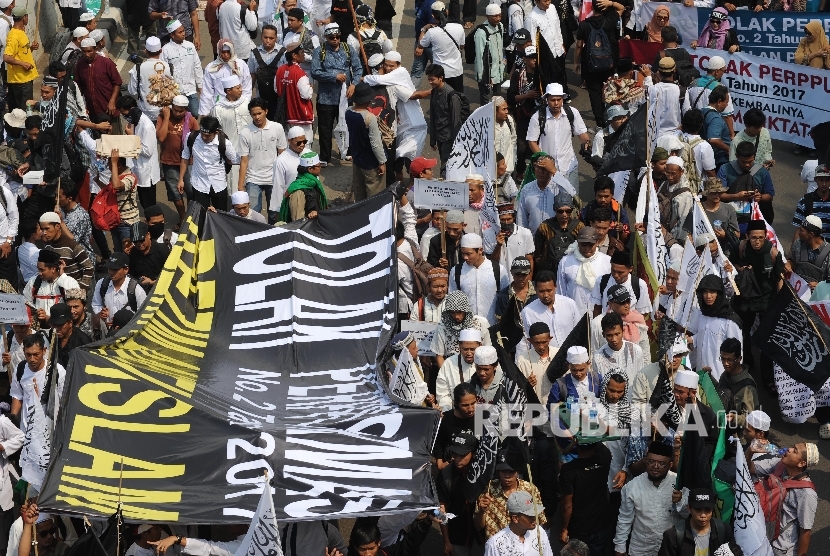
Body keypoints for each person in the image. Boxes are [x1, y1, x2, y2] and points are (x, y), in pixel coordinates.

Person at [732, 220, 784, 391]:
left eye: (761, 238)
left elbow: (779, 278)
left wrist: (780, 301)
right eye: (754, 238)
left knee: (766, 338)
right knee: (743, 333)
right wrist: (741, 269)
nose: (757, 241)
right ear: (747, 237)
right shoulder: (741, 247)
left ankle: (768, 379)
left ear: (766, 237)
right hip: (746, 299)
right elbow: (733, 264)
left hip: (766, 300)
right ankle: (746, 362)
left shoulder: (773, 253)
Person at [613, 441, 687, 556]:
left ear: (670, 465)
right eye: (651, 462)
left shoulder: (679, 485)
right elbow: (624, 519)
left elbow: (689, 515)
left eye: (661, 463)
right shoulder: (631, 487)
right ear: (646, 461)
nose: (655, 467)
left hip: (672, 548)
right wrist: (620, 547)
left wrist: (680, 501)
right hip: (641, 548)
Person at [745, 442, 819, 556]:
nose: (788, 449)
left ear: (801, 463)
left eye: (794, 451)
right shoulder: (779, 465)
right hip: (761, 537)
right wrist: (750, 451)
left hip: (781, 549)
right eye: (792, 447)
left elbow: (805, 531)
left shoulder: (807, 494)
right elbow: (749, 468)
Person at [364, 51, 428, 178]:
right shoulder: (374, 86)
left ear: (398, 65)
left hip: (412, 127)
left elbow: (414, 96)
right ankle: (399, 191)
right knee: (396, 166)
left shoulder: (398, 76)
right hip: (395, 128)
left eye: (391, 66)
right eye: (385, 65)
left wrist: (435, 90)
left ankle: (411, 191)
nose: (388, 69)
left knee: (411, 164)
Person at [311, 23, 363, 167]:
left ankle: (347, 152)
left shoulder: (348, 49)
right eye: (331, 37)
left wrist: (354, 84)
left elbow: (358, 69)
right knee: (325, 129)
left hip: (345, 97)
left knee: (348, 126)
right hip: (326, 98)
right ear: (326, 37)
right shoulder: (319, 52)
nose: (335, 39)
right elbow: (315, 72)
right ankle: (325, 157)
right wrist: (334, 76)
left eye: (337, 37)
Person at [527, 84, 590, 192]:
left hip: (569, 167)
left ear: (563, 99)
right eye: (552, 100)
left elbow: (582, 134)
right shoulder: (537, 117)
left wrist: (587, 143)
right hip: (547, 171)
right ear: (546, 100)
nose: (556, 103)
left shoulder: (572, 113)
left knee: (572, 200)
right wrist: (544, 159)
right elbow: (532, 141)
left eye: (559, 99)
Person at [574, 0, 623, 126]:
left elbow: (579, 46)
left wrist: (576, 62)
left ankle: (600, 123)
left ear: (592, 7)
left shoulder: (584, 25)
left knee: (594, 93)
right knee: (608, 90)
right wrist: (611, 3)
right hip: (608, 63)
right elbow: (621, 8)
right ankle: (611, 117)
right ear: (604, 7)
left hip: (590, 65)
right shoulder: (610, 20)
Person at [237, 97, 286, 222]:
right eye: (254, 114)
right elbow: (244, 160)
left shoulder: (277, 128)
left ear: (266, 111)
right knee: (252, 214)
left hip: (273, 178)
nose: (257, 117)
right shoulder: (245, 133)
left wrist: (284, 179)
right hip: (253, 178)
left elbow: (282, 155)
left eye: (259, 113)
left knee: (274, 213)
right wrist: (240, 185)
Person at [686, 274, 742, 381]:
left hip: (720, 378)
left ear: (720, 293)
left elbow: (737, 352)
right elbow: (705, 335)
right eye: (705, 292)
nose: (708, 296)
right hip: (701, 374)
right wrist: (692, 339)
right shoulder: (703, 315)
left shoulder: (730, 321)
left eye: (712, 292)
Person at [437, 431, 484, 556]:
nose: (456, 458)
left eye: (461, 454)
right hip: (457, 535)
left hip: (482, 536)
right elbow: (442, 509)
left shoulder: (483, 474)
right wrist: (446, 540)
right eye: (454, 453)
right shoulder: (445, 475)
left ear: (473, 454)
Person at [179, 116, 240, 210]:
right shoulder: (191, 138)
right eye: (202, 133)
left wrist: (228, 161)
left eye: (208, 136)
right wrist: (181, 179)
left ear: (216, 132)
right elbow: (185, 157)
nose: (204, 137)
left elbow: (236, 159)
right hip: (199, 184)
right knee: (200, 214)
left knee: (220, 215)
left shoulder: (224, 143)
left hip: (218, 184)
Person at [157, 96, 198, 227]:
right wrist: (167, 117)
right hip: (169, 162)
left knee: (191, 191)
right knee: (175, 193)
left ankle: (193, 217)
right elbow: (161, 137)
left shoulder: (191, 120)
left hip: (188, 162)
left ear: (186, 110)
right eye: (175, 110)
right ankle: (183, 218)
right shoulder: (162, 117)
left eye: (181, 111)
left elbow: (198, 140)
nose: (178, 113)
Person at [717, 141, 775, 232]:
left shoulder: (763, 172)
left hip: (755, 222)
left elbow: (769, 195)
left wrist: (760, 197)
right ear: (736, 156)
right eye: (743, 162)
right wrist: (736, 196)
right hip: (730, 220)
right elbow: (718, 195)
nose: (747, 165)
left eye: (750, 161)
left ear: (754, 156)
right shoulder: (725, 169)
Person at [657, 488, 731, 556]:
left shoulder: (723, 530)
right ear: (689, 508)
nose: (703, 515)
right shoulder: (673, 535)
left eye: (707, 510)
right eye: (698, 510)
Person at [345, 82, 387, 200]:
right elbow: (375, 143)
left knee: (360, 195)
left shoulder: (348, 112)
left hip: (357, 159)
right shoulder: (369, 117)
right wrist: (382, 162)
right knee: (375, 197)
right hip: (371, 163)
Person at [590, 285, 651, 366]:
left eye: (628, 301)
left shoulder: (637, 321)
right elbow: (594, 351)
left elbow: (645, 350)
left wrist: (645, 375)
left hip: (633, 370)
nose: (627, 305)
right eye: (622, 302)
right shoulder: (597, 323)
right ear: (610, 304)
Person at [430, 291, 492, 368]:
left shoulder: (481, 323)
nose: (456, 316)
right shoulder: (442, 327)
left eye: (459, 312)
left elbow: (488, 349)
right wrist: (446, 375)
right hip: (453, 370)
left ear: (466, 310)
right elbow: (439, 356)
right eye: (452, 313)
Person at [520, 270, 580, 348]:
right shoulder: (527, 312)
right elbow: (524, 343)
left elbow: (579, 332)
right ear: (535, 290)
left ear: (555, 287)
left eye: (549, 291)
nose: (545, 295)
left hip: (570, 357)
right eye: (541, 291)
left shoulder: (570, 304)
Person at [556, 226, 611, 312]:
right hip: (573, 314)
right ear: (578, 243)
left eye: (590, 245)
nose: (587, 249)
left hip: (599, 315)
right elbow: (560, 291)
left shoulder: (607, 262)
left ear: (597, 243)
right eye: (583, 245)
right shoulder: (566, 261)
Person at [506, 46, 541, 180]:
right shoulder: (518, 75)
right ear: (525, 59)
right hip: (523, 115)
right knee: (521, 147)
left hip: (539, 115)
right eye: (531, 58)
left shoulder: (542, 75)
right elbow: (511, 97)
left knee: (537, 146)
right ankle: (520, 171)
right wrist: (528, 95)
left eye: (535, 57)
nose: (533, 60)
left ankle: (536, 172)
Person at [516, 154, 573, 235]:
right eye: (538, 167)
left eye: (545, 169)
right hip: (533, 240)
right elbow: (521, 217)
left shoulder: (559, 187)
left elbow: (572, 193)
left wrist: (555, 171)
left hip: (555, 239)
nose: (541, 172)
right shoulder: (527, 189)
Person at [483, 491, 552, 556]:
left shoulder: (539, 532)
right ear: (515, 518)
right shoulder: (495, 544)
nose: (534, 518)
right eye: (530, 516)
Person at [38, 212, 94, 292]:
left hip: (72, 293)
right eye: (42, 229)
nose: (44, 233)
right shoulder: (47, 246)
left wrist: (81, 289)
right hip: (56, 293)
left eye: (47, 229)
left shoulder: (72, 246)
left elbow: (89, 267)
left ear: (57, 226)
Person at [712, 337, 757, 435]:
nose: (725, 363)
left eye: (730, 360)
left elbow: (751, 418)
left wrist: (735, 418)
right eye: (723, 359)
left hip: (738, 438)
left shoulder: (748, 387)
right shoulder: (726, 375)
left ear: (739, 359)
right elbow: (721, 392)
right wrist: (709, 377)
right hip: (723, 429)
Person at [416, 2, 465, 92]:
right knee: (457, 99)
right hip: (457, 71)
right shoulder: (459, 27)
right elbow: (461, 46)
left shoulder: (431, 32)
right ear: (447, 12)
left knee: (441, 100)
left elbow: (420, 45)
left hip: (440, 73)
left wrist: (424, 29)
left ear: (433, 16)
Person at [425, 63, 464, 174]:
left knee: (446, 167)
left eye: (432, 79)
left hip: (449, 138)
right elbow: (433, 116)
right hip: (439, 137)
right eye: (428, 79)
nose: (430, 82)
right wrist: (433, 139)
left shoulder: (452, 96)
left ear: (441, 78)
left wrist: (457, 144)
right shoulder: (434, 92)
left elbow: (456, 121)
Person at [275, 41, 315, 145]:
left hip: (285, 115)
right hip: (301, 115)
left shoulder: (280, 70)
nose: (304, 55)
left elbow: (276, 89)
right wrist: (311, 88)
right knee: (305, 145)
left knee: (289, 144)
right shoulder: (300, 73)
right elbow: (306, 95)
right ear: (294, 55)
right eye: (301, 52)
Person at [92, 252, 147, 326]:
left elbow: (143, 316)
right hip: (107, 332)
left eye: (115, 269)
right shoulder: (101, 284)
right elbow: (96, 304)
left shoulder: (136, 290)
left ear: (126, 270)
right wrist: (101, 313)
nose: (111, 272)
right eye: (109, 268)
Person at [160, 20, 202, 117]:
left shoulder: (190, 46)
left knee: (195, 114)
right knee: (177, 115)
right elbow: (163, 73)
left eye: (183, 31)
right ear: (172, 35)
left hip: (190, 89)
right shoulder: (166, 50)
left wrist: (200, 86)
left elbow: (197, 66)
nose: (183, 34)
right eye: (180, 32)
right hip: (175, 92)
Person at [591, 311, 645, 387]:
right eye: (609, 335)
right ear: (603, 335)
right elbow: (599, 385)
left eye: (617, 334)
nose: (614, 339)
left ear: (623, 331)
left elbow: (641, 379)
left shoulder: (636, 351)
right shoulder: (598, 357)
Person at [200, 40, 253, 117]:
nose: (226, 55)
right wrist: (205, 113)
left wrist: (245, 105)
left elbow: (246, 87)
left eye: (228, 52)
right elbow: (207, 92)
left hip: (239, 106)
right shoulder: (211, 68)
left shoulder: (241, 65)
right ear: (218, 52)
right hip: (219, 107)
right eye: (223, 52)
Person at [631, 336, 690, 405]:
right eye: (671, 355)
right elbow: (637, 404)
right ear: (663, 355)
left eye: (678, 355)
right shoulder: (644, 375)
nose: (674, 359)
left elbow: (695, 404)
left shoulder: (688, 375)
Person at [591, 251, 651, 317]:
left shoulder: (639, 285)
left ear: (630, 269)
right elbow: (597, 308)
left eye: (620, 272)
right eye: (613, 271)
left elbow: (642, 313)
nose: (616, 275)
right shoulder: (601, 281)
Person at [535, 193, 583, 273]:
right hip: (550, 271)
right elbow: (538, 253)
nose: (564, 214)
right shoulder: (545, 227)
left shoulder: (579, 226)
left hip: (573, 269)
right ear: (555, 210)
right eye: (560, 211)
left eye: (568, 211)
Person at [524, 0, 565, 91]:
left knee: (560, 79)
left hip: (558, 52)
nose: (548, 2)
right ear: (537, 1)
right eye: (545, 1)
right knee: (549, 84)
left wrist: (561, 43)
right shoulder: (531, 18)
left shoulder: (552, 8)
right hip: (546, 57)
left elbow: (557, 26)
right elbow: (532, 42)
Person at [128, 36, 172, 121]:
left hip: (146, 112)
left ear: (146, 51)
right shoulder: (168, 67)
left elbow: (132, 91)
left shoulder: (138, 68)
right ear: (161, 50)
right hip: (165, 111)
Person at [75, 39, 121, 118]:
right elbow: (78, 85)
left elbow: (117, 83)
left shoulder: (107, 63)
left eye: (89, 51)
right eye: (84, 51)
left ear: (95, 49)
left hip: (108, 108)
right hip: (91, 110)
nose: (87, 54)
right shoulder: (80, 64)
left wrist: (112, 102)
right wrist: (81, 105)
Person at [579, 177, 630, 247]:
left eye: (606, 196)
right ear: (595, 194)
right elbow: (579, 235)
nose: (603, 200)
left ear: (612, 195)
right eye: (600, 196)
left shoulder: (619, 212)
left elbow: (625, 241)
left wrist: (621, 231)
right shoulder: (587, 211)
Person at [3, 6, 37, 111]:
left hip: (25, 78)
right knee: (25, 109)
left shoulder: (21, 32)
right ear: (24, 17)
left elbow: (21, 53)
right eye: (27, 16)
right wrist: (23, 64)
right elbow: (6, 57)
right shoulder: (14, 36)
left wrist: (31, 48)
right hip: (20, 80)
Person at [107, 148, 141, 252]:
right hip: (115, 221)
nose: (108, 167)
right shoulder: (115, 177)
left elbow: (117, 186)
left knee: (128, 253)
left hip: (128, 223)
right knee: (118, 251)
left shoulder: (130, 177)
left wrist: (113, 162)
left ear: (118, 165)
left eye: (110, 164)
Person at [278, 151, 327, 222]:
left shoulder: (313, 183)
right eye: (319, 166)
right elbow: (298, 220)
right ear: (310, 169)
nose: (320, 168)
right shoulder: (298, 191)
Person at [271, 126, 310, 214]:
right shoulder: (281, 161)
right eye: (299, 142)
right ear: (289, 141)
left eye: (304, 142)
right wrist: (278, 210)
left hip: (311, 199)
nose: (302, 145)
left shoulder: (309, 154)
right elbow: (278, 186)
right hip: (293, 201)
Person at [515, 322, 555, 402]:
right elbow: (516, 390)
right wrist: (526, 385)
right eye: (537, 343)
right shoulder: (522, 360)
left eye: (544, 342)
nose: (541, 347)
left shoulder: (557, 355)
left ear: (550, 339)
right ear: (529, 341)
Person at [125, 222, 170, 292]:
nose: (139, 244)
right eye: (135, 241)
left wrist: (152, 282)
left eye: (141, 240)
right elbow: (132, 274)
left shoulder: (163, 251)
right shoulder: (133, 252)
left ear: (148, 235)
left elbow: (172, 277)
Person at [472, 4, 504, 105]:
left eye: (499, 15)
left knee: (498, 102)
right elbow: (480, 57)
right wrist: (485, 78)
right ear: (487, 16)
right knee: (487, 104)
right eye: (495, 16)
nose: (498, 18)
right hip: (487, 76)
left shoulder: (500, 26)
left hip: (498, 73)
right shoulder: (481, 33)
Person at [786, 215, 830, 287]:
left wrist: (820, 286)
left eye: (802, 230)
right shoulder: (798, 244)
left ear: (811, 234)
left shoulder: (828, 253)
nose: (799, 232)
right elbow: (792, 260)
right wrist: (789, 264)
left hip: (818, 296)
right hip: (796, 292)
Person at [660, 156, 694, 242]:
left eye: (673, 174)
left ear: (681, 172)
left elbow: (683, 221)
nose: (670, 177)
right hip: (660, 230)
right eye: (667, 173)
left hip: (673, 237)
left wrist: (678, 242)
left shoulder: (686, 195)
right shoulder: (664, 184)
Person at [793, 164, 830, 241]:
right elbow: (799, 229)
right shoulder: (805, 202)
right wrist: (794, 251)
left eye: (827, 180)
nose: (824, 184)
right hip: (810, 248)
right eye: (821, 180)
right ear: (815, 180)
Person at [50, 302, 92, 368]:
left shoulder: (83, 342)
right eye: (54, 325)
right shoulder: (52, 334)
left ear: (70, 323)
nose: (56, 329)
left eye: (60, 325)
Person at [57, 184, 92, 260]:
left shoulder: (80, 215)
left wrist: (61, 222)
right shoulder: (61, 209)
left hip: (82, 259)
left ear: (69, 198)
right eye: (55, 196)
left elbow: (73, 240)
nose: (56, 199)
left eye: (59, 197)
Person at [494, 98, 517, 179]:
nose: (507, 112)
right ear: (495, 111)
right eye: (504, 109)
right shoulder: (487, 126)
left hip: (508, 170)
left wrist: (511, 162)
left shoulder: (509, 120)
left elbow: (513, 140)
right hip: (492, 172)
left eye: (507, 108)